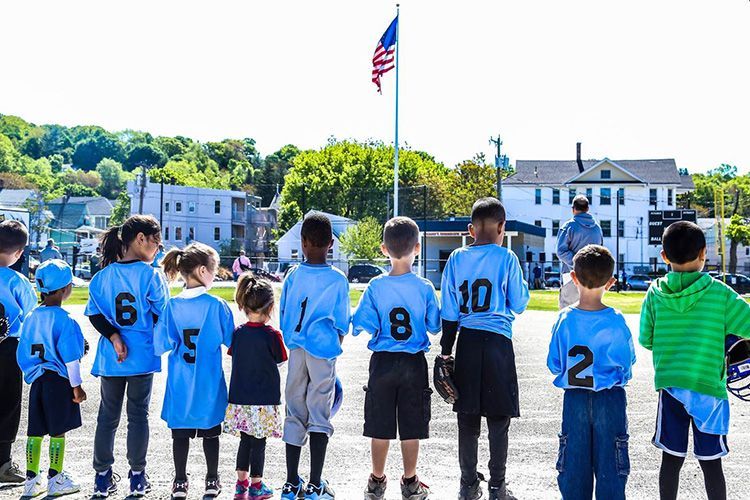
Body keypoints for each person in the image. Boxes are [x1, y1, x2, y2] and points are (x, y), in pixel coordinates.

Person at [640, 221, 750, 500]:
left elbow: (646, 339)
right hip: (708, 388)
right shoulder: (720, 294)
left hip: (671, 385)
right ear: (704, 253)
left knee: (671, 460)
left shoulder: (655, 293)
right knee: (711, 463)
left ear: (664, 256)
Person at [439, 197, 530, 500]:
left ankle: (467, 485)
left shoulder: (456, 258)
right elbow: (518, 304)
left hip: (467, 342)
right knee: (498, 419)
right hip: (498, 344)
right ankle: (497, 485)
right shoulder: (507, 259)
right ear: (502, 227)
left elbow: (450, 311)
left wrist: (445, 350)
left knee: (467, 417)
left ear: (470, 229)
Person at [352, 217, 440, 500]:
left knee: (380, 425)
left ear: (383, 249)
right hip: (413, 362)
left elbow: (363, 323)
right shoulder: (424, 286)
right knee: (411, 426)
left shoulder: (376, 286)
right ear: (417, 247)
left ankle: (377, 481)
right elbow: (435, 325)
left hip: (383, 361)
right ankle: (410, 481)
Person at [84, 215, 169, 498]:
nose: (158, 248)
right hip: (142, 356)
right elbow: (162, 315)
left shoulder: (101, 277)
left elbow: (95, 315)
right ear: (141, 239)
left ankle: (101, 477)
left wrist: (114, 336)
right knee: (138, 417)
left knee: (107, 418)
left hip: (111, 358)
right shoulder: (151, 275)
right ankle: (136, 477)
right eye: (156, 242)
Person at [547, 245, 635, 499]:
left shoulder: (564, 318)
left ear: (573, 278)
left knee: (573, 464)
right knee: (611, 466)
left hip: (574, 397)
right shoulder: (616, 320)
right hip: (610, 398)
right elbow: (627, 364)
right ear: (611, 282)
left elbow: (554, 363)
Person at [155, 242, 235, 499]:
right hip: (208, 381)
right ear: (202, 271)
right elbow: (231, 341)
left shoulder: (172, 306)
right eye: (213, 269)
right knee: (211, 433)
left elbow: (161, 344)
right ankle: (212, 479)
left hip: (181, 381)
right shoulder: (217, 306)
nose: (216, 274)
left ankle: (180, 481)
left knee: (180, 434)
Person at [280, 212, 350, 500]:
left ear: (303, 242)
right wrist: (335, 343)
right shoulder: (337, 279)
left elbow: (283, 313)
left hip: (296, 347)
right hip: (322, 351)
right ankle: (315, 483)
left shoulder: (293, 275)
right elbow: (342, 322)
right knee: (319, 413)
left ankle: (291, 481)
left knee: (295, 410)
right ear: (331, 244)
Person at [16, 259, 88, 498]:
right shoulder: (65, 320)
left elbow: (21, 352)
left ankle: (31, 480)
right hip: (58, 380)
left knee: (35, 431)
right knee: (58, 431)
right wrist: (76, 387)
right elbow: (71, 359)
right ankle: (55, 478)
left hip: (37, 380)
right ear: (65, 289)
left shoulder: (31, 318)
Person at [224, 274, 287, 500]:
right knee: (259, 442)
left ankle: (241, 484)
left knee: (245, 440)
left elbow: (234, 354)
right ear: (270, 307)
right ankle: (256, 485)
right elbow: (280, 359)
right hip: (264, 398)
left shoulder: (239, 333)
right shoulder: (272, 335)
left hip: (240, 396)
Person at [0, 221, 38, 487]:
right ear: (19, 252)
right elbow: (31, 318)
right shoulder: (18, 280)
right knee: (8, 404)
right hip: (8, 349)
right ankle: (3, 462)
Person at [556, 195, 603, 309]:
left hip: (571, 275)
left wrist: (578, 264)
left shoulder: (569, 226)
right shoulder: (597, 229)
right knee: (589, 311)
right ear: (587, 209)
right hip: (592, 276)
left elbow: (561, 251)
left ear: (573, 209)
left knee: (568, 311)